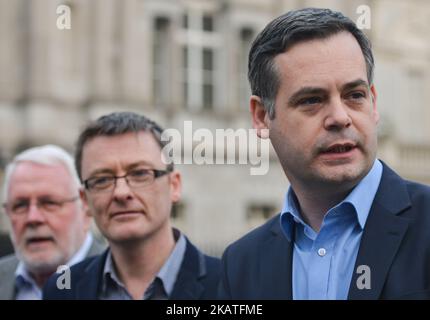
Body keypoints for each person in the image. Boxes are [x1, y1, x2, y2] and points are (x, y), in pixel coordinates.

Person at [219, 7, 430, 300]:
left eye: (354, 95)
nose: (340, 117)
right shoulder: (240, 266)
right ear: (261, 116)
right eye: (312, 100)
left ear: (374, 103)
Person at [43, 112, 220, 300]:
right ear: (85, 200)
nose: (121, 192)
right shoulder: (61, 290)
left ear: (174, 186)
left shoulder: (232, 285)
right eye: (102, 179)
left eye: (140, 174)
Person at [0, 145, 105, 299]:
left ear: (85, 206)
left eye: (49, 203)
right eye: (20, 205)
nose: (33, 218)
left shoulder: (123, 281)